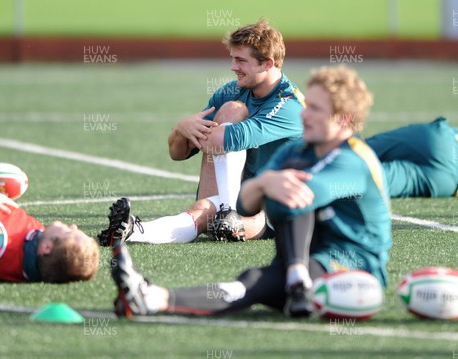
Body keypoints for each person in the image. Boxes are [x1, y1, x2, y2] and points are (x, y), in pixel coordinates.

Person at [108, 65, 392, 318]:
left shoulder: (354, 159)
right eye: (308, 106)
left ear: (344, 119)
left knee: (289, 197)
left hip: (353, 274)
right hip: (310, 262)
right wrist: (262, 185)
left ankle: (297, 279)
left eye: (315, 109)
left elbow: (301, 198)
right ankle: (151, 298)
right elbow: (244, 206)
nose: (304, 114)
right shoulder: (297, 151)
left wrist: (268, 186)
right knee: (250, 281)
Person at [98, 19, 304, 246]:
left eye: (240, 60)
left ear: (267, 64)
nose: (233, 67)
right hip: (236, 190)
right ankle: (223, 213)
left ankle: (140, 231)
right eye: (232, 59)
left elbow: (226, 140)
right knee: (231, 110)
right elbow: (177, 151)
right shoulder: (232, 90)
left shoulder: (289, 105)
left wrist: (192, 131)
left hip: (277, 201)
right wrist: (181, 127)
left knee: (210, 210)